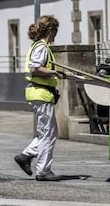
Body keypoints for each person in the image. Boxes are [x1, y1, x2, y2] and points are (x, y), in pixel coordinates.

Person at [14, 15, 72, 181]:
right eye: (55, 31)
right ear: (51, 30)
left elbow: (39, 68)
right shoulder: (41, 47)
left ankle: (26, 156)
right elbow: (34, 67)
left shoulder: (40, 46)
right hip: (41, 93)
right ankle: (43, 171)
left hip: (40, 93)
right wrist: (55, 72)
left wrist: (60, 74)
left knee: (49, 132)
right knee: (47, 134)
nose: (55, 35)